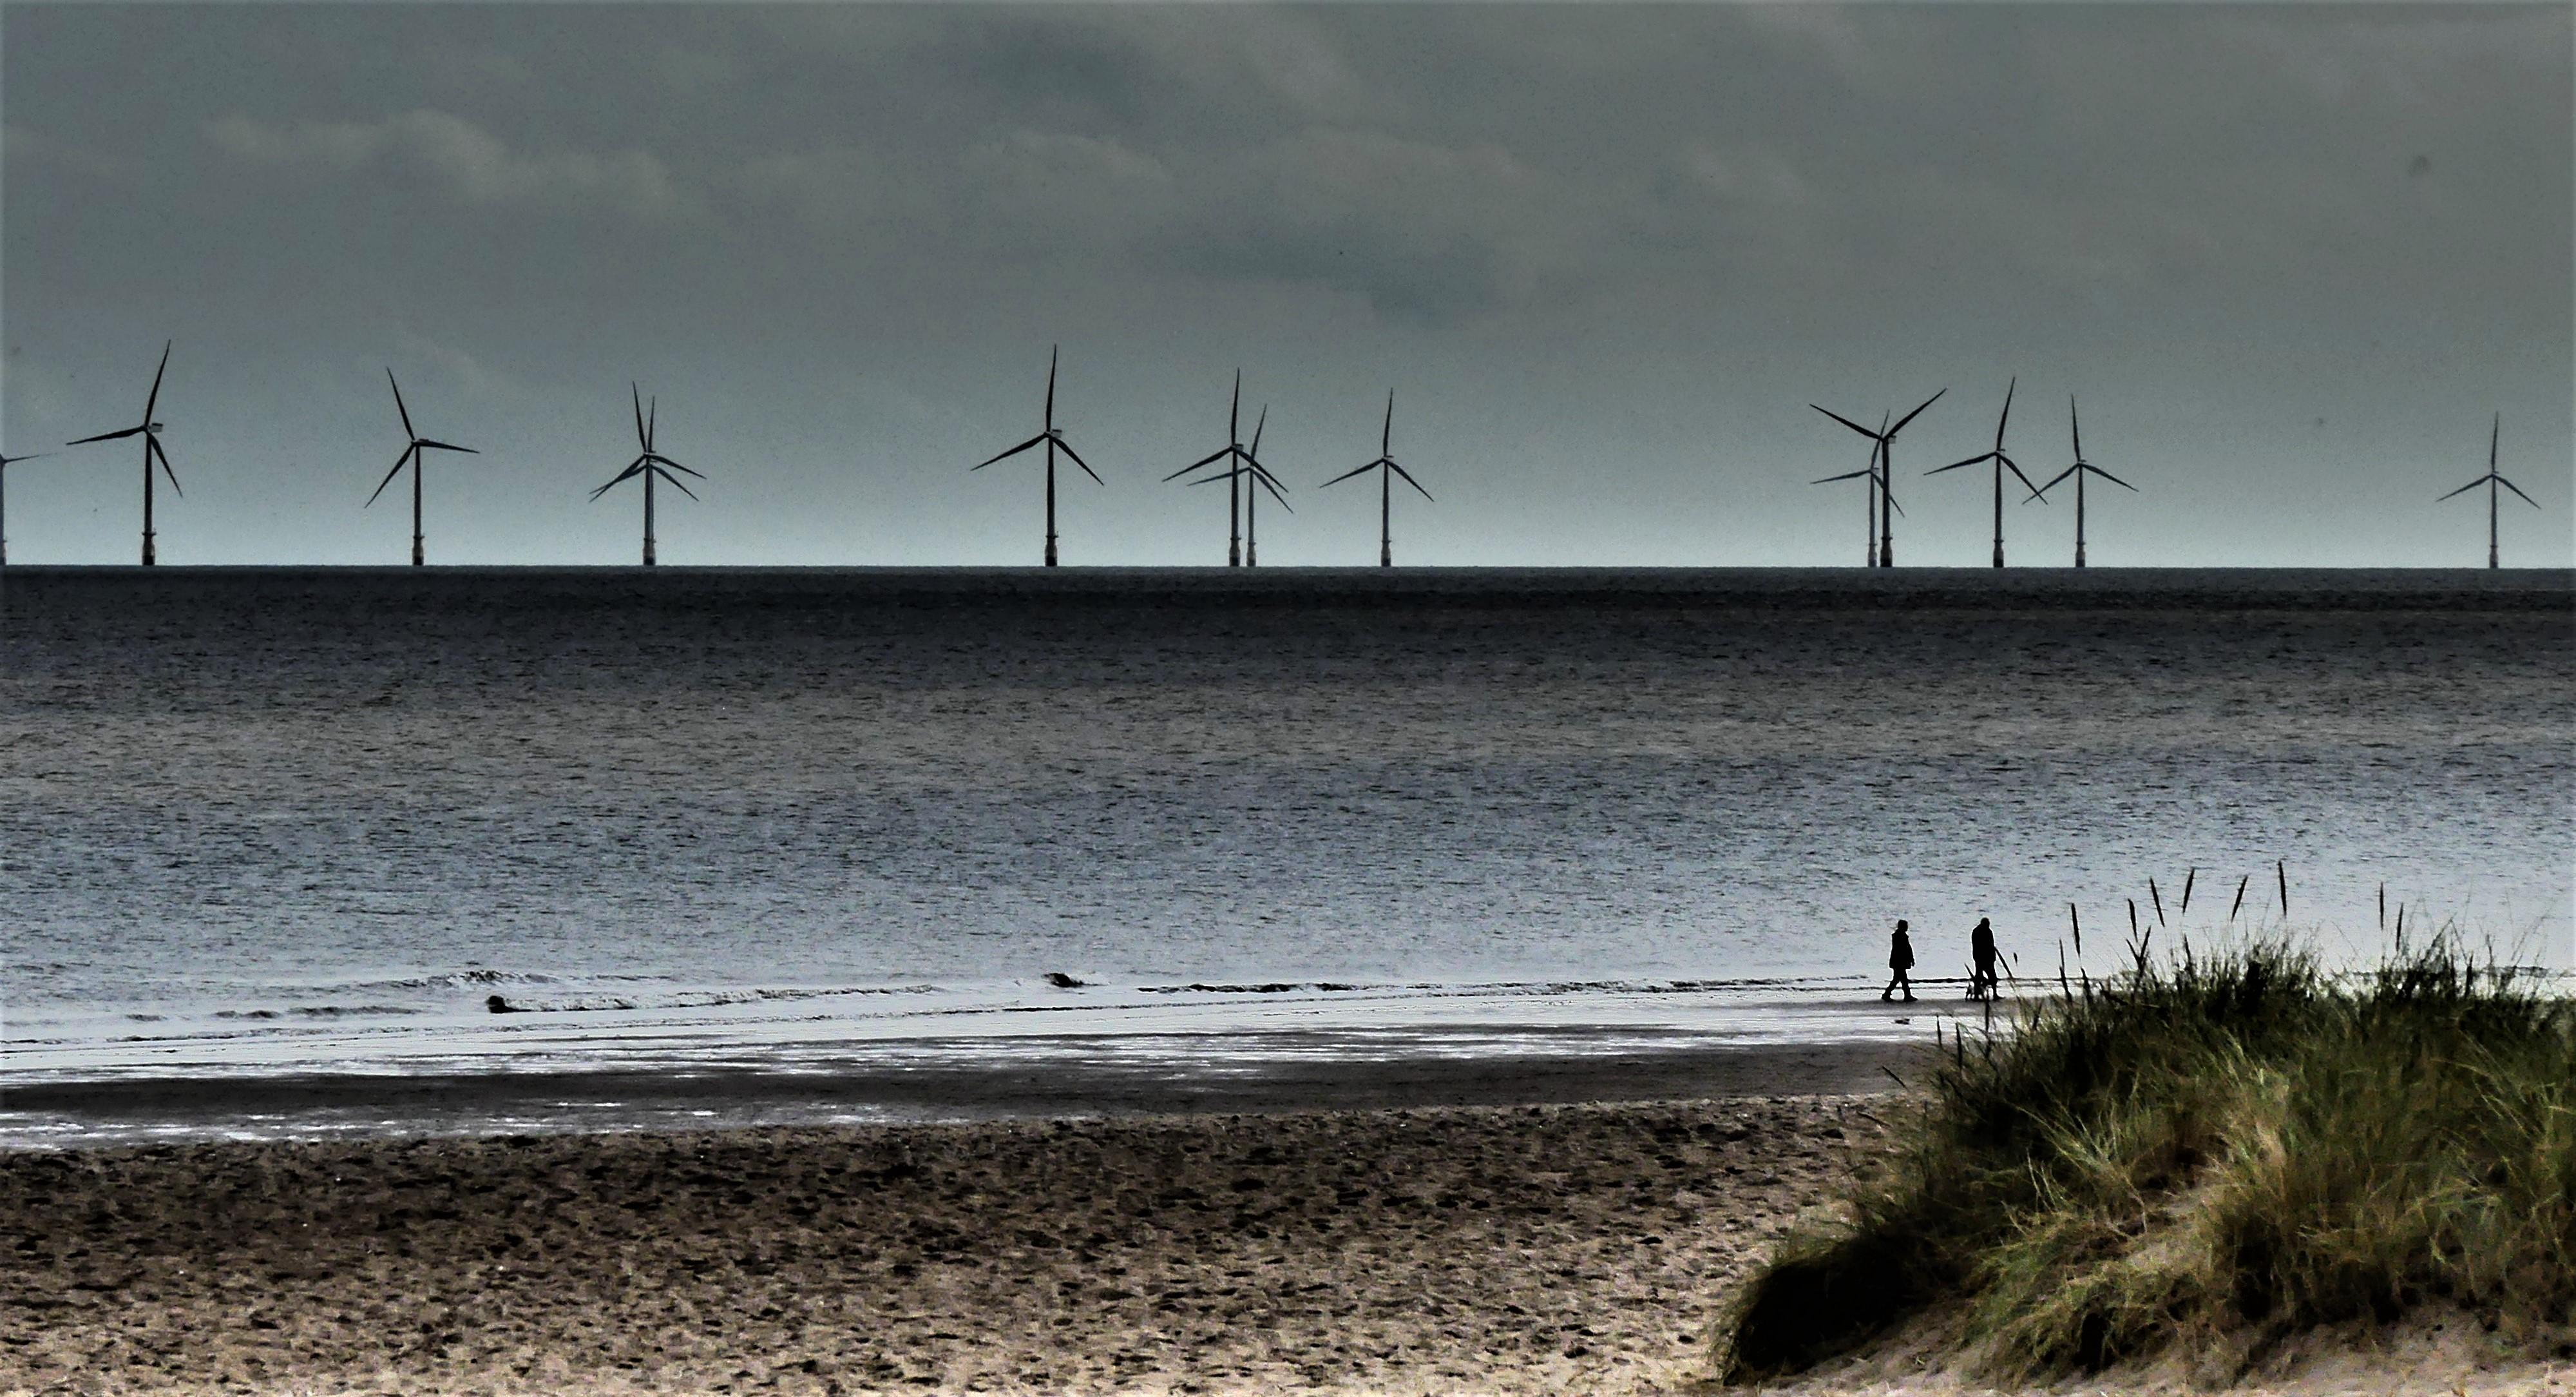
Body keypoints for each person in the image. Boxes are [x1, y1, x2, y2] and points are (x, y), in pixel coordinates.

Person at [1880, 919, 1916, 1002]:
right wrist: (1911, 959)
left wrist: (1911, 959)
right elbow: (1906, 949)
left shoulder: (1899, 936)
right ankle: (1889, 994)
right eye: (1906, 926)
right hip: (1899, 962)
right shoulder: (1901, 936)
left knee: (1899, 979)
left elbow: (1907, 949)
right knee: (1901, 979)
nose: (1907, 928)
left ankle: (1905, 995)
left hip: (1897, 961)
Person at [1969, 917, 2001, 999]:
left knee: (1983, 976)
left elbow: (1990, 945)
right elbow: (1989, 946)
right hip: (1984, 958)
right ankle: (1993, 994)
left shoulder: (1977, 931)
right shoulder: (1985, 932)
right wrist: (1993, 957)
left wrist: (1993, 957)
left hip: (1982, 958)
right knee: (1988, 977)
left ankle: (1989, 994)